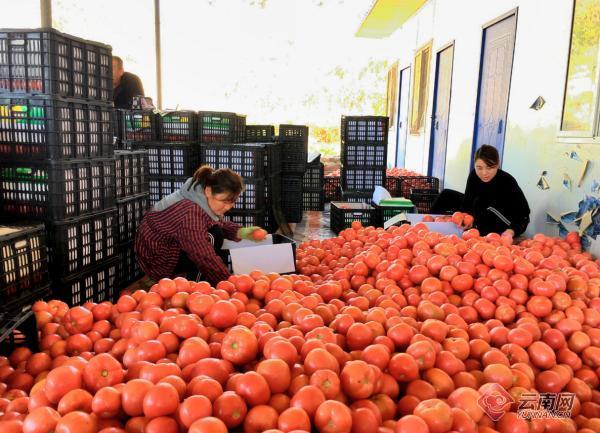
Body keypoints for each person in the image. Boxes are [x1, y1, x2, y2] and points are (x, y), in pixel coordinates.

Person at [135, 166, 263, 285]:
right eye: (225, 201)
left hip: (164, 247)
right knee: (213, 237)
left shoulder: (198, 194)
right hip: (159, 259)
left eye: (233, 201)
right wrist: (228, 284)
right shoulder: (190, 212)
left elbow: (213, 222)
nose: (229, 206)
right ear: (208, 191)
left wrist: (241, 232)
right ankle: (196, 285)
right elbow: (203, 256)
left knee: (215, 231)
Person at [430, 144, 530, 236]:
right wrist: (464, 217)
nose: (484, 173)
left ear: (497, 164)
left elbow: (524, 216)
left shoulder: (508, 182)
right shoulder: (474, 175)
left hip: (503, 220)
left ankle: (476, 226)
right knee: (446, 195)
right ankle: (428, 224)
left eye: (489, 168)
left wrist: (511, 231)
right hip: (480, 211)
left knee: (486, 208)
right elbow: (467, 203)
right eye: (479, 168)